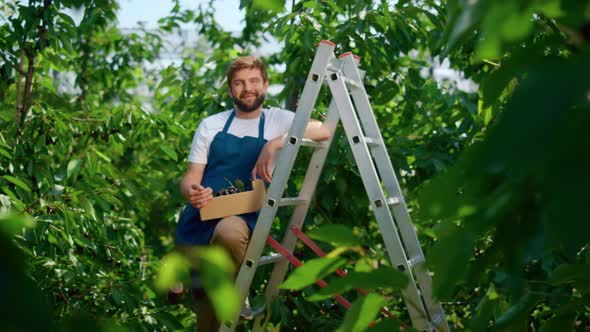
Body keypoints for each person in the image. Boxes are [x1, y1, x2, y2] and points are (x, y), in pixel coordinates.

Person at [175, 56, 331, 331]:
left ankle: (222, 287)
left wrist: (275, 143)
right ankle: (230, 290)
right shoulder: (211, 125)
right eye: (239, 83)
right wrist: (192, 192)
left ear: (266, 85)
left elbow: (324, 129)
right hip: (202, 216)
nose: (247, 88)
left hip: (244, 213)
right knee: (208, 318)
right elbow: (191, 177)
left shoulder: (277, 120)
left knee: (229, 233)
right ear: (230, 90)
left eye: (253, 81)